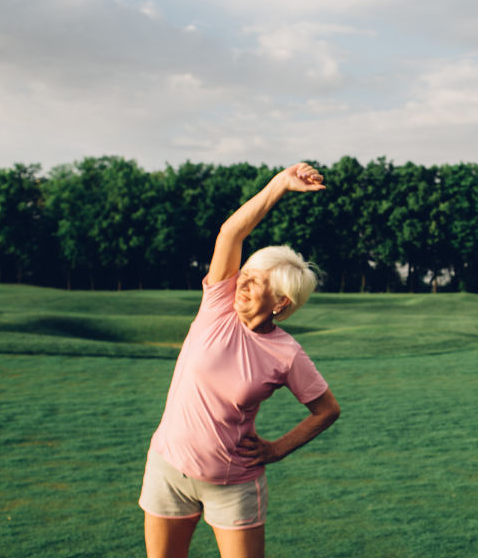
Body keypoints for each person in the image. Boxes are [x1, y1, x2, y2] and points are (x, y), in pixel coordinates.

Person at [139, 163, 341, 558]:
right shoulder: (217, 305)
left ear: (281, 302)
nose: (242, 284)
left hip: (233, 485)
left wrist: (277, 449)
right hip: (167, 469)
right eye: (244, 275)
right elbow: (231, 232)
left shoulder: (287, 353)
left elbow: (327, 410)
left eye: (256, 282)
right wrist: (281, 184)